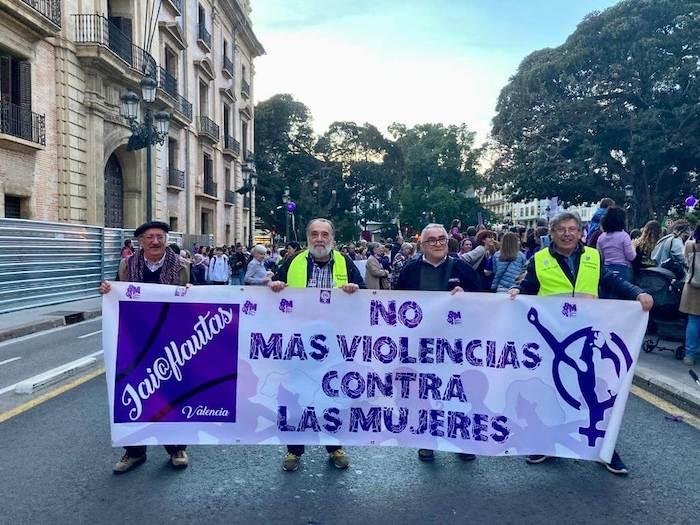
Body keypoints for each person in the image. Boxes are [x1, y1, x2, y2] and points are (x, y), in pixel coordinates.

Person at [508, 212, 653, 475]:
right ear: (551, 233)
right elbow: (529, 287)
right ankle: (546, 445)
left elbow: (611, 281)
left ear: (580, 232)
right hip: (554, 338)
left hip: (588, 337)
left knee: (599, 395)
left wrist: (638, 294)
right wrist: (518, 292)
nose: (567, 234)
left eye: (572, 229)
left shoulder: (593, 256)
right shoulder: (538, 260)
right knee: (551, 392)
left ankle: (606, 450)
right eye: (561, 229)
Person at [268, 218, 365, 472]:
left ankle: (334, 447)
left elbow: (365, 298)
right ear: (307, 237)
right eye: (314, 234)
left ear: (332, 238)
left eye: (324, 234)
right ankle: (293, 451)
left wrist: (356, 290)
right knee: (294, 398)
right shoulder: (292, 262)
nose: (319, 239)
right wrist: (274, 286)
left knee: (332, 397)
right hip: (298, 345)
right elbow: (272, 292)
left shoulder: (346, 263)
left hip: (333, 346)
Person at [99, 221, 190, 474]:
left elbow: (199, 298)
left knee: (170, 394)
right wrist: (108, 290)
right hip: (136, 339)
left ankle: (177, 448)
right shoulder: (127, 265)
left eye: (160, 236)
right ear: (140, 241)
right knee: (133, 394)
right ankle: (134, 451)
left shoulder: (183, 266)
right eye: (149, 237)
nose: (155, 241)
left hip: (171, 341)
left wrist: (194, 292)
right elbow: (119, 292)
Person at [395, 223, 484, 462]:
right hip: (422, 345)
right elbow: (395, 304)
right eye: (432, 240)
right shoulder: (410, 269)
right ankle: (427, 440)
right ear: (422, 245)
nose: (437, 243)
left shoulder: (462, 268)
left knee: (458, 393)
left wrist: (466, 296)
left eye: (442, 239)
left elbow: (483, 298)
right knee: (425, 392)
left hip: (455, 345)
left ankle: (462, 441)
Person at [596, 207, 636, 283]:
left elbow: (600, 257)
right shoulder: (624, 236)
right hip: (623, 270)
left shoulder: (601, 237)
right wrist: (634, 246)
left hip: (606, 270)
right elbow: (631, 257)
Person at [681, 225, 700, 366]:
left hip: (692, 286)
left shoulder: (689, 245)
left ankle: (689, 355)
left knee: (693, 320)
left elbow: (685, 262)